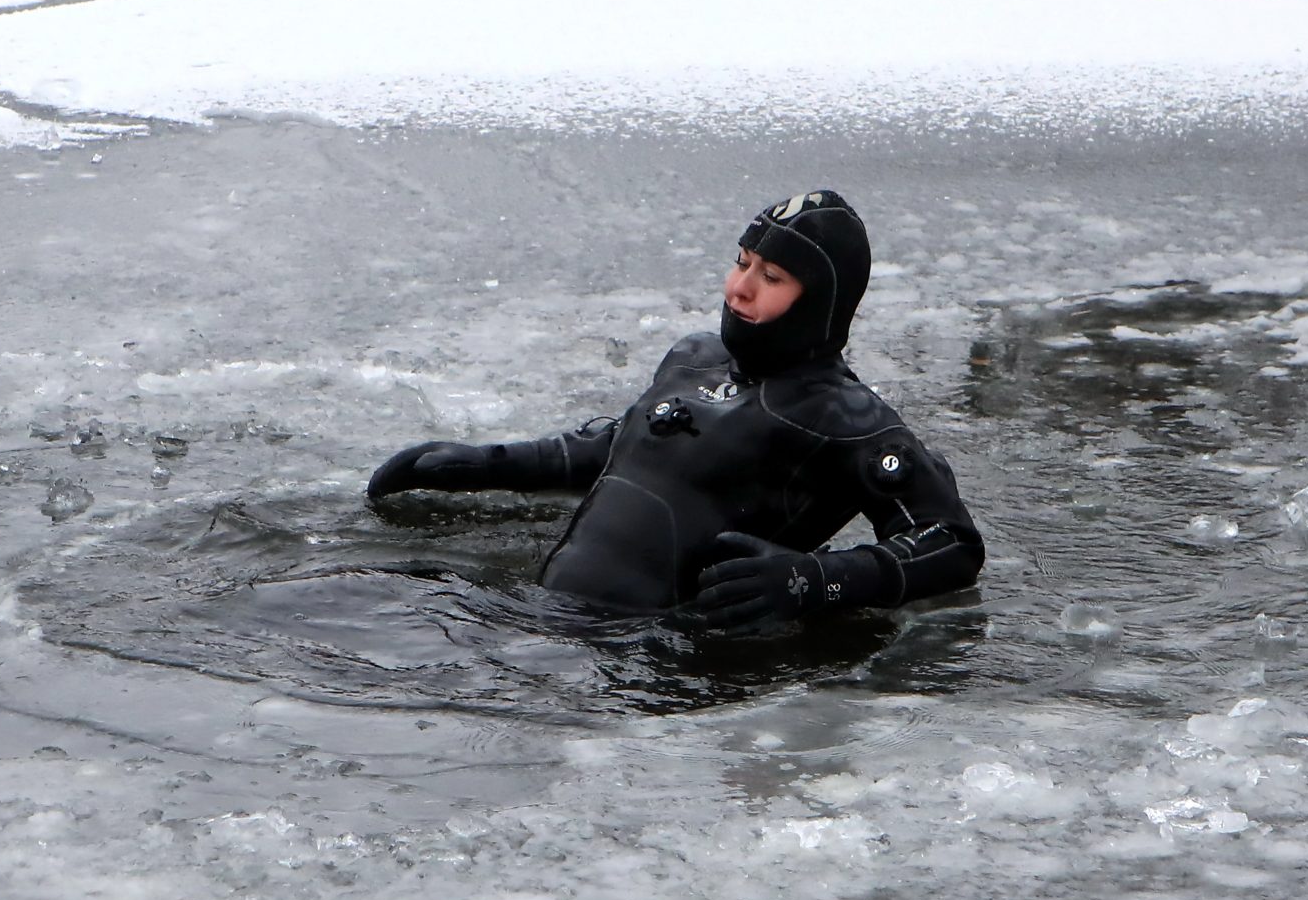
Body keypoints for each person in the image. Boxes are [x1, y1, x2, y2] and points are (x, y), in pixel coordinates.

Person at [367, 190, 983, 629]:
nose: (739, 287)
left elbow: (950, 543)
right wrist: (483, 464)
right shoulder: (695, 360)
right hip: (534, 613)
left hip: (639, 651)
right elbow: (621, 445)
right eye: (742, 263)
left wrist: (811, 581)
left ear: (819, 299)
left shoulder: (846, 419)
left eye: (771, 277)